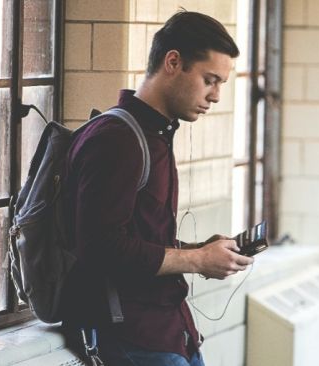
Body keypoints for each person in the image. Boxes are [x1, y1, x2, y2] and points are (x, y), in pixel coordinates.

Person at [60, 11, 254, 366]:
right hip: (133, 339)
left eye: (221, 84)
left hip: (169, 333)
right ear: (173, 62)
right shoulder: (117, 139)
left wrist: (202, 250)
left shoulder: (155, 135)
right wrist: (196, 260)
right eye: (210, 80)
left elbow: (140, 240)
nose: (215, 96)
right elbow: (100, 247)